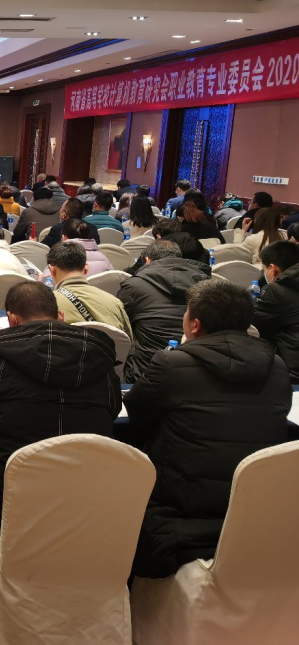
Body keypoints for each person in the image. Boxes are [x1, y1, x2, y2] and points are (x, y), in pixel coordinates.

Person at [125, 280, 290, 578]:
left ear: (195, 324)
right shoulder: (276, 366)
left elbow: (137, 417)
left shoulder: (170, 364)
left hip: (178, 520)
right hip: (256, 517)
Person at [0, 281, 120, 538]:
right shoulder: (100, 358)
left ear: (12, 320)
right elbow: (113, 411)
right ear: (60, 316)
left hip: (12, 506)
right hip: (87, 503)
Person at [118, 239, 210, 383]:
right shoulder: (206, 285)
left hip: (144, 373)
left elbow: (120, 326)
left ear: (147, 260)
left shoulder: (134, 286)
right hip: (197, 372)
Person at [47, 241, 132, 337]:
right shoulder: (115, 303)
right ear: (86, 268)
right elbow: (127, 341)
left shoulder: (47, 305)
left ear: (52, 270)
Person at [254, 241, 299, 380]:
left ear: (272, 269)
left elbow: (254, 326)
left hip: (292, 371)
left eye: (264, 269)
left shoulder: (275, 291)